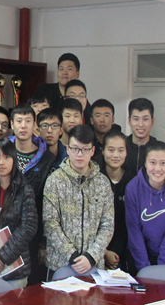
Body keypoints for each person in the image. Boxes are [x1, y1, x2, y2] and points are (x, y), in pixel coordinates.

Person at [43, 125, 114, 275]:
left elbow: (107, 225)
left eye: (85, 149)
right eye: (75, 149)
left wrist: (91, 256)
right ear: (68, 149)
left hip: (93, 265)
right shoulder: (54, 181)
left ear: (93, 151)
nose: (79, 154)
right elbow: (50, 224)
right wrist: (72, 255)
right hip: (60, 264)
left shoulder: (102, 183)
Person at [0, 139, 37, 288]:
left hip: (15, 268)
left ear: (14, 159)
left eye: (6, 157)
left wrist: (3, 256)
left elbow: (29, 226)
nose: (1, 162)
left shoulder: (24, 188)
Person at [9, 104, 55, 284]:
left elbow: (48, 204)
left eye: (28, 121)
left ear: (34, 125)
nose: (23, 126)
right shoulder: (2, 153)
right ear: (12, 124)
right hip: (6, 232)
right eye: (19, 121)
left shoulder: (46, 158)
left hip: (34, 234)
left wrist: (44, 242)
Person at [124, 142, 165, 274]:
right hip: (140, 258)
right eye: (152, 162)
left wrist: (161, 271)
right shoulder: (132, 188)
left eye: (163, 163)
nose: (158, 169)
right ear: (145, 163)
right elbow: (134, 233)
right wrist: (144, 270)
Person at [100, 132, 136, 273]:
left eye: (121, 150)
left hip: (124, 250)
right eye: (111, 150)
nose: (116, 155)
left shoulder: (133, 181)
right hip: (97, 249)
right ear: (102, 151)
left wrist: (115, 251)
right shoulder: (95, 178)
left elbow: (130, 223)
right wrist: (104, 251)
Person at [124, 98, 158, 174]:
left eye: (145, 119)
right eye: (136, 119)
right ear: (129, 121)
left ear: (152, 121)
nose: (140, 124)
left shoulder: (159, 149)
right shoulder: (122, 146)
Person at [89, 99, 121, 163]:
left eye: (106, 115)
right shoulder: (87, 142)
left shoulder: (120, 141)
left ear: (113, 120)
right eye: (98, 116)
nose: (102, 120)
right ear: (91, 120)